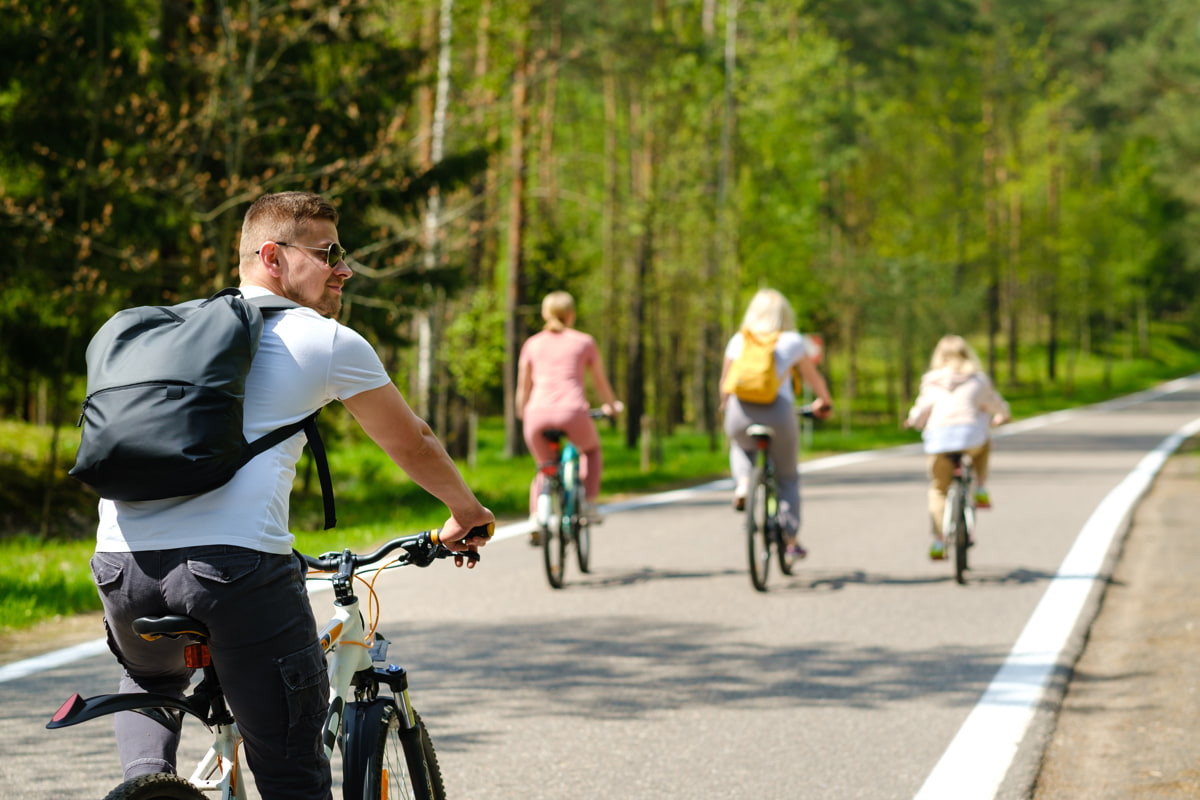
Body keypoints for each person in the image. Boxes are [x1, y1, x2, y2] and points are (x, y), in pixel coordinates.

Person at [89, 191, 495, 800]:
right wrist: (467, 513)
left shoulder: (163, 330)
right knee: (291, 776)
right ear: (273, 256)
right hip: (234, 574)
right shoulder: (324, 340)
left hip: (121, 569)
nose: (345, 268)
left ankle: (146, 787)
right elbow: (414, 443)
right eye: (329, 252)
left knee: (147, 679)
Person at [720, 288, 833, 559]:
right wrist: (824, 402)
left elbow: (725, 383)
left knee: (739, 446)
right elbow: (813, 379)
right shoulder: (792, 340)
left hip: (740, 410)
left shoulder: (739, 339)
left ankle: (744, 482)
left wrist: (725, 406)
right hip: (779, 413)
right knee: (787, 477)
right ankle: (791, 541)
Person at [516, 291, 622, 534]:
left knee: (545, 466)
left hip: (536, 414)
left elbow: (523, 387)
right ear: (571, 315)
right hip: (572, 412)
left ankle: (536, 517)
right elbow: (601, 383)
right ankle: (589, 504)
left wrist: (523, 413)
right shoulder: (584, 341)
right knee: (592, 451)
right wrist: (612, 406)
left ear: (545, 314)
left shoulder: (532, 343)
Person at [905, 334, 1010, 560]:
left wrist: (912, 421)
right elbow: (995, 404)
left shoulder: (931, 381)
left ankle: (938, 541)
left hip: (939, 442)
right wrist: (1003, 415)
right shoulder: (978, 380)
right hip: (971, 440)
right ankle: (980, 486)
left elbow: (921, 410)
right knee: (985, 439)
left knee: (939, 489)